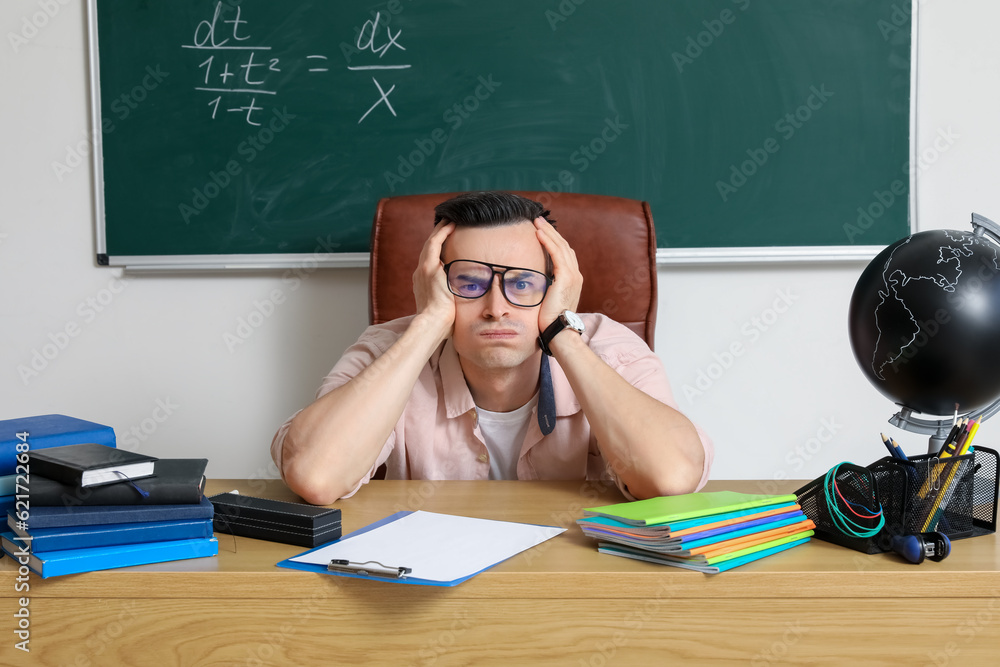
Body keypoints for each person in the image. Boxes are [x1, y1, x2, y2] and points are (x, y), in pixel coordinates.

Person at [271, 191, 712, 504]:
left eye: (522, 283)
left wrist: (560, 332)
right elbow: (316, 476)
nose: (496, 308)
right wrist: (426, 324)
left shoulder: (607, 346)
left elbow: (669, 477)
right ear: (434, 286)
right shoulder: (390, 350)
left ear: (557, 287)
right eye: (469, 282)